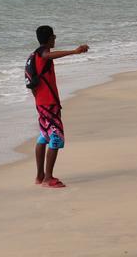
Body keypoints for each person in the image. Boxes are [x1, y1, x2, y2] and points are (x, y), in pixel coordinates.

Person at [30, 24, 89, 188]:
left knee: (44, 136)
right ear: (50, 39)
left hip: (41, 102)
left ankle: (40, 176)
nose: (55, 38)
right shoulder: (42, 53)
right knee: (55, 136)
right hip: (48, 103)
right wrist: (74, 52)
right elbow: (49, 55)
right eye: (54, 36)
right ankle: (48, 178)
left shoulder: (32, 56)